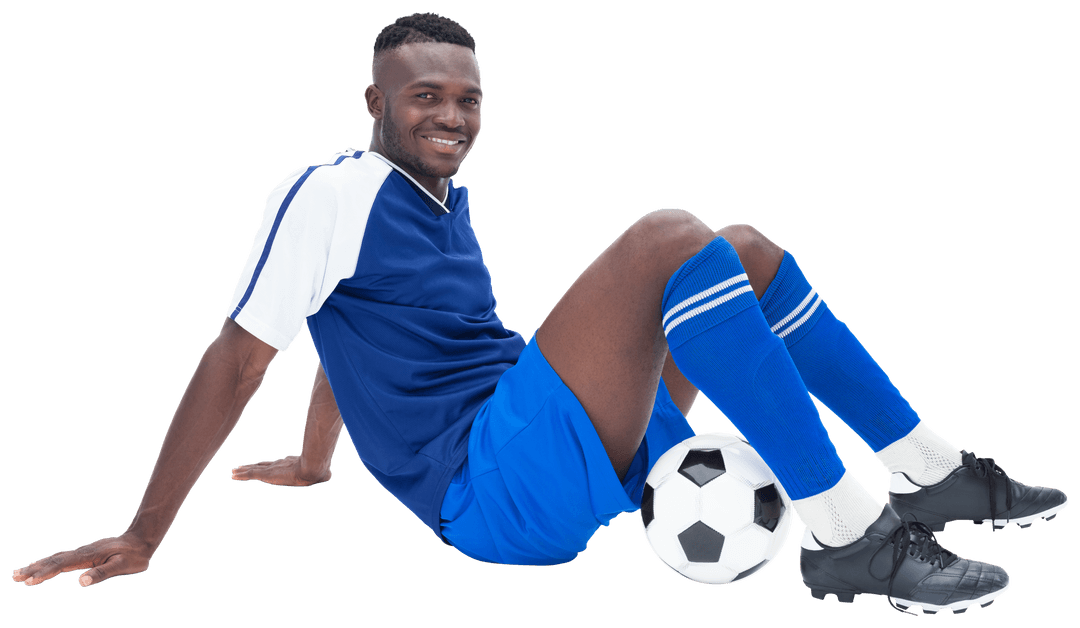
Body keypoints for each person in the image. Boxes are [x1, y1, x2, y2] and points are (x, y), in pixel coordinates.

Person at [12, 13, 1067, 615]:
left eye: (468, 98)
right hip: (494, 484)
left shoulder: (433, 207)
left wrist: (319, 458)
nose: (452, 116)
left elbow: (347, 337)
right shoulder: (330, 192)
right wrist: (145, 532)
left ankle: (928, 467)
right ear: (373, 101)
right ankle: (847, 537)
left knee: (737, 249)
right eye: (425, 95)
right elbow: (239, 356)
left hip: (534, 441)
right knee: (668, 235)